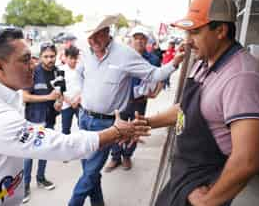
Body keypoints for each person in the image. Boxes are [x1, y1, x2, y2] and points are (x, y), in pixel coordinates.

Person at [0, 28, 150, 206]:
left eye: (31, 58)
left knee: (91, 175)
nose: (33, 65)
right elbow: (62, 145)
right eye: (25, 60)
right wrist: (115, 132)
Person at [141, 0, 259, 206]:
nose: (188, 41)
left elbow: (248, 160)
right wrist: (146, 123)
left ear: (220, 30)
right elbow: (186, 110)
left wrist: (209, 200)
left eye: (195, 32)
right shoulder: (204, 61)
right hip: (184, 175)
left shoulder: (242, 77)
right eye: (187, 32)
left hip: (206, 183)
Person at [68, 15, 184, 206]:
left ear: (107, 32)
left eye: (97, 35)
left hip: (107, 124)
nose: (93, 41)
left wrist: (174, 63)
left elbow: (154, 74)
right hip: (84, 119)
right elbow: (79, 74)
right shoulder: (87, 53)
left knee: (89, 172)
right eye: (89, 36)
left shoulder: (125, 54)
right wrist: (80, 92)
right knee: (90, 171)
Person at [105, 26, 164, 172]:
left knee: (136, 128)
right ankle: (115, 157)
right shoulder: (123, 56)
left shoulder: (153, 59)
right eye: (136, 38)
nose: (139, 41)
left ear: (147, 41)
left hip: (140, 101)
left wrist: (156, 92)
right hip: (122, 100)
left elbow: (161, 77)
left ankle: (127, 156)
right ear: (131, 40)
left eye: (142, 38)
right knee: (118, 127)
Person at [22, 42, 62, 202]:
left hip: (50, 118)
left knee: (45, 150)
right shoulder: (32, 72)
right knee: (29, 154)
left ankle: (40, 178)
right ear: (40, 57)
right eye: (46, 56)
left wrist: (59, 103)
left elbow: (59, 94)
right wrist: (47, 97)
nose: (49, 59)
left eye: (52, 56)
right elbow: (24, 96)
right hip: (33, 119)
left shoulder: (59, 72)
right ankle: (24, 185)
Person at [60, 46, 81, 136]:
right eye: (71, 58)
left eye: (75, 58)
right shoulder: (61, 70)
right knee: (65, 130)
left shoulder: (80, 69)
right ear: (66, 57)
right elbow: (59, 90)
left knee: (82, 127)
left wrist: (77, 100)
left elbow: (84, 86)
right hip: (66, 105)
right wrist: (70, 102)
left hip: (80, 103)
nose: (73, 61)